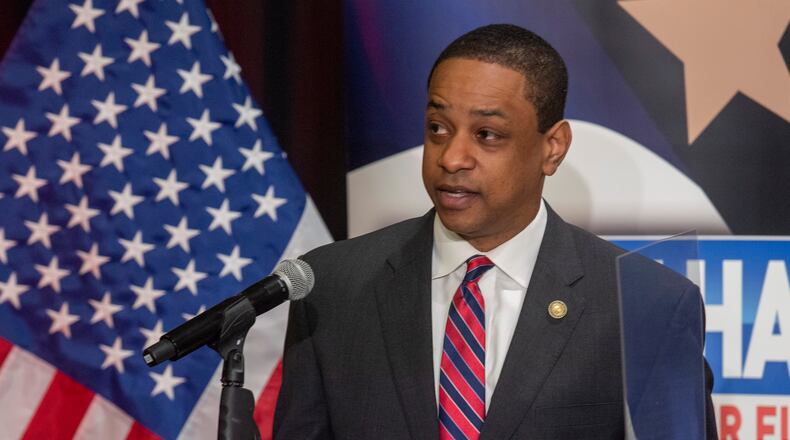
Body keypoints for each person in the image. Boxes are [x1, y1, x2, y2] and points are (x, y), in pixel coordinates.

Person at [273, 24, 717, 439]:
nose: (451, 158)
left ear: (553, 148)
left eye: (486, 134)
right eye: (438, 128)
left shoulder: (646, 303)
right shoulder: (333, 285)